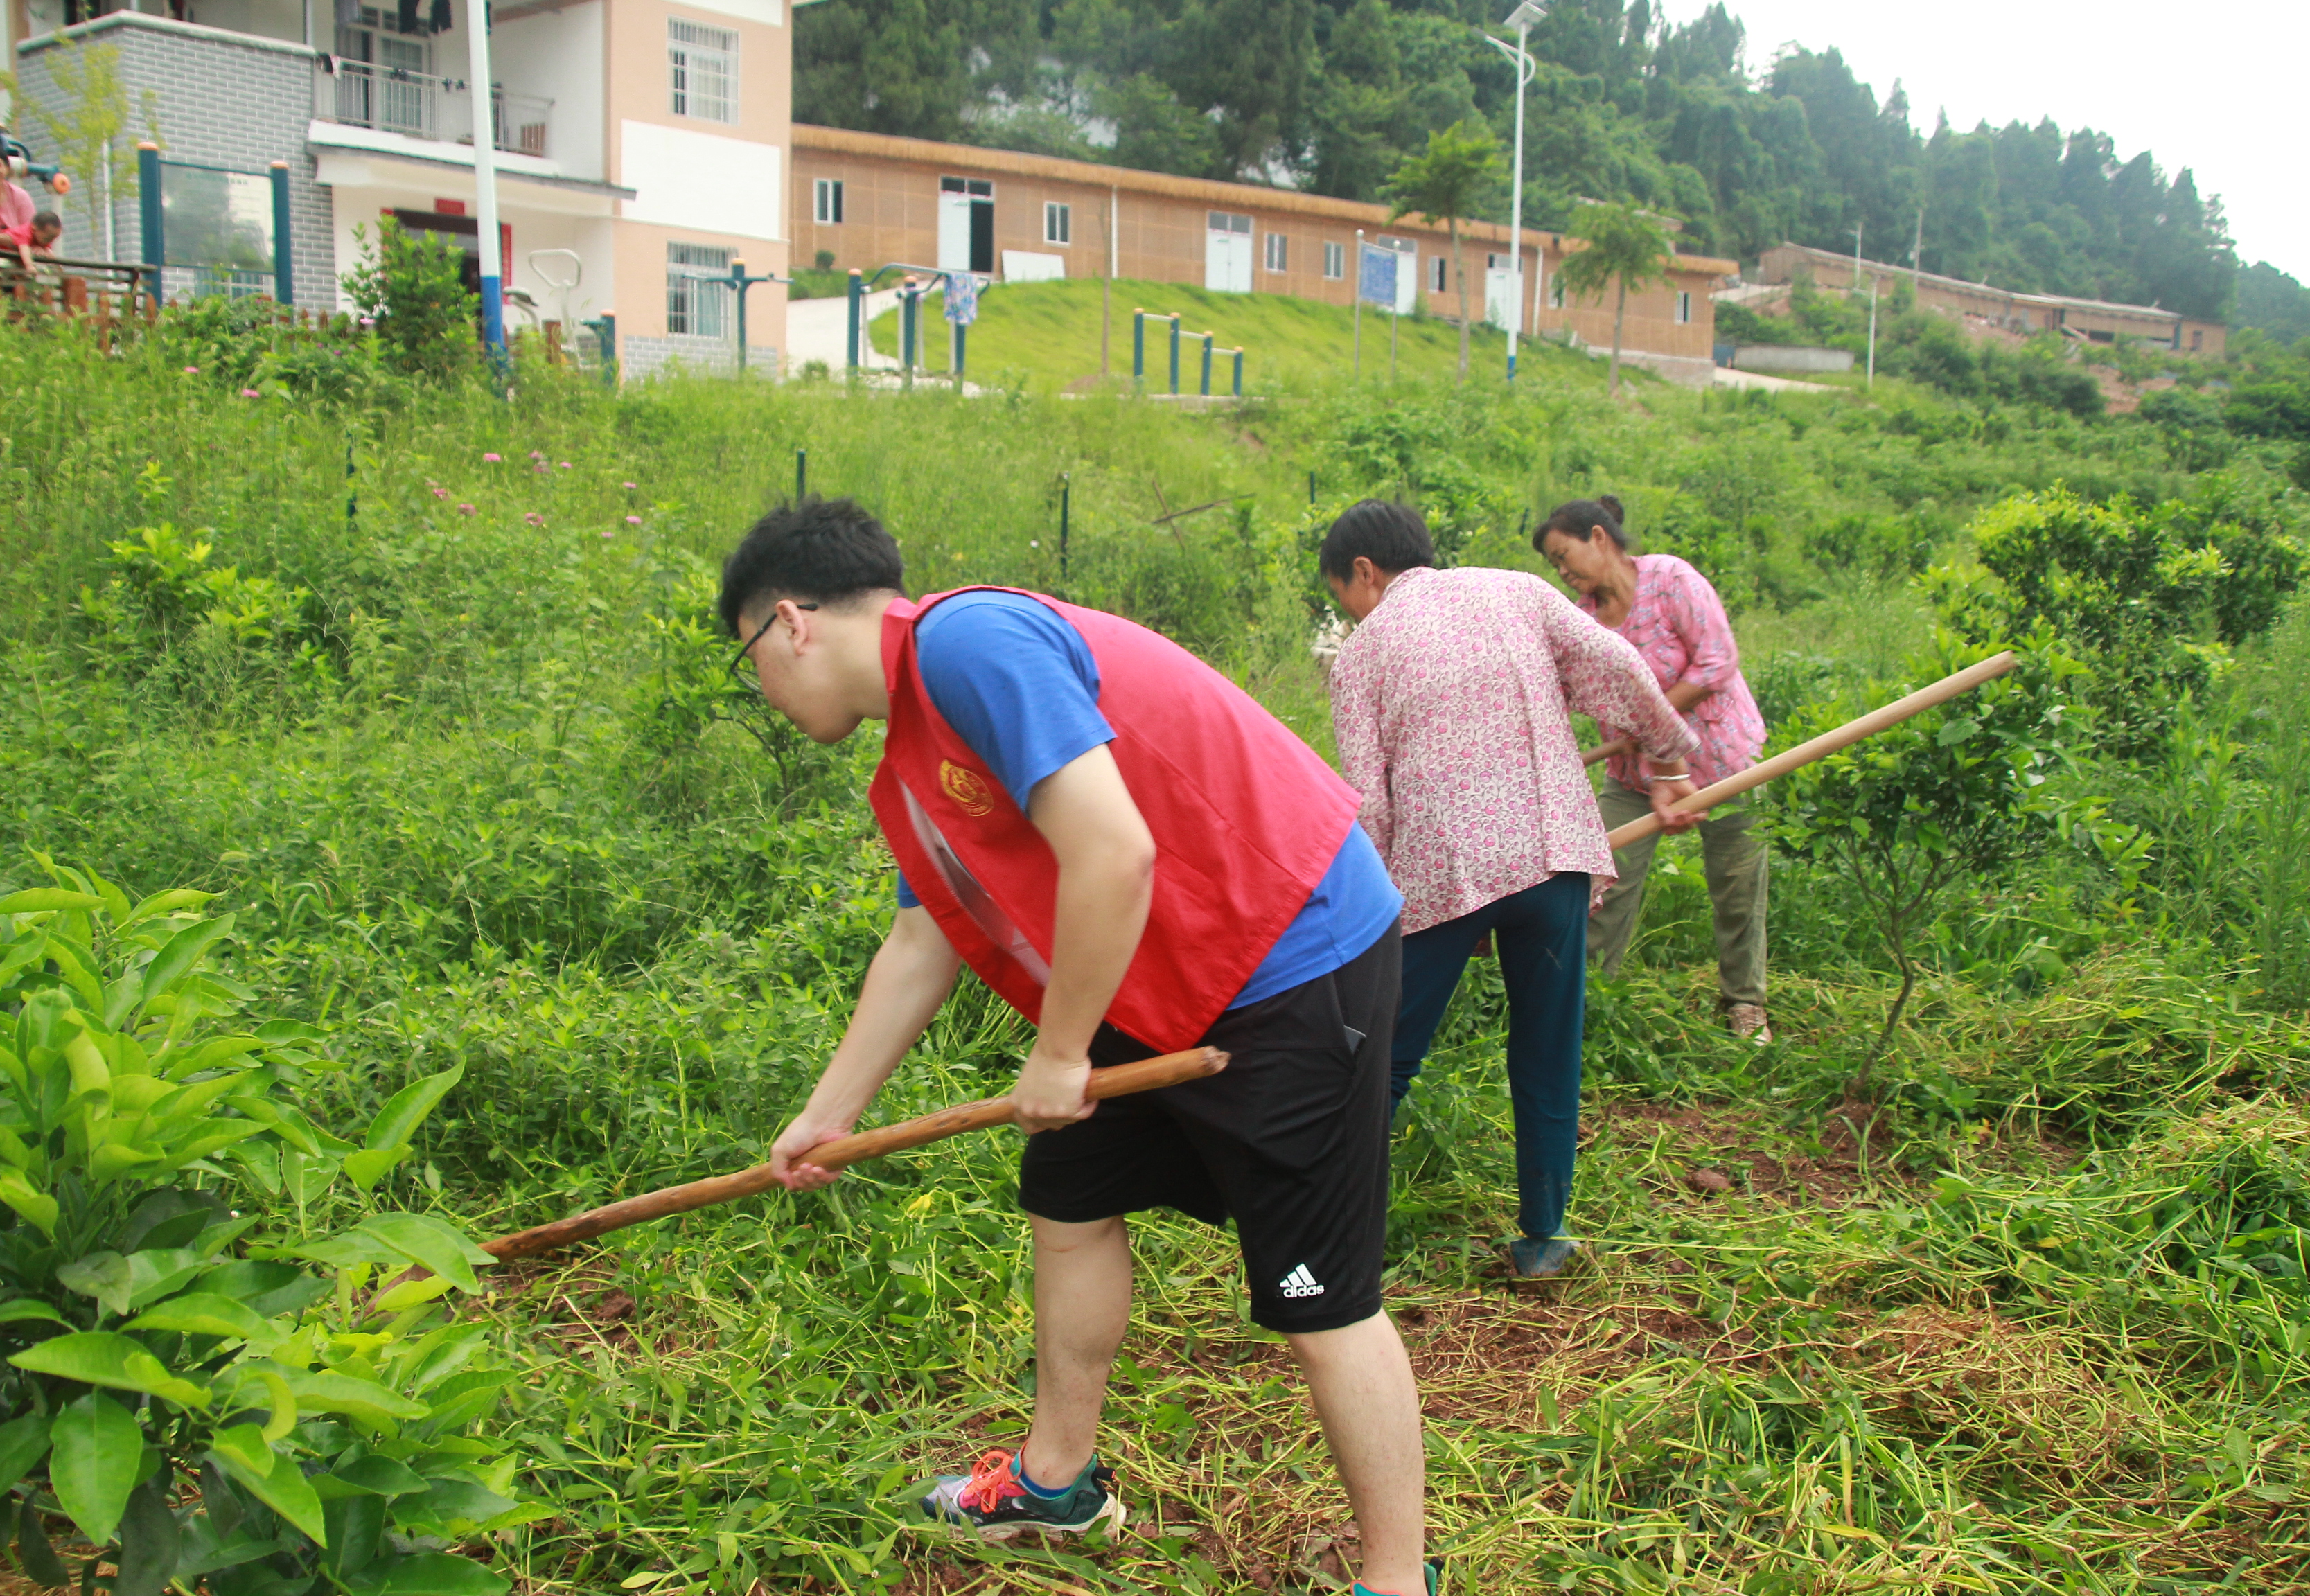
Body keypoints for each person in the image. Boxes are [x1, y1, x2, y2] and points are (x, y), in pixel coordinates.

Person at [728, 498, 1436, 1596]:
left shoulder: (970, 643)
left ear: (788, 623)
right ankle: (1057, 1483)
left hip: (1289, 950)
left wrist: (1059, 1057)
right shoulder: (913, 754)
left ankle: (1396, 1582)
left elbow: (1114, 851)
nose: (763, 693)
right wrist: (832, 1114)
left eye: (748, 663)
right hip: (1156, 976)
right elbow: (922, 941)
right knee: (1068, 1198)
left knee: (1320, 1296)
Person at [1322, 501, 1700, 1280]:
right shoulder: (1516, 590)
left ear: (1365, 573)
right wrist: (1670, 762)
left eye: (1343, 596)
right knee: (1546, 1051)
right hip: (1552, 856)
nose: (1350, 613)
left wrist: (1368, 928)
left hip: (1441, 874)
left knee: (1383, 1063)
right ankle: (1545, 1241)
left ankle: (1330, 1240)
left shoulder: (1362, 657)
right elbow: (1621, 672)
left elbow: (1372, 807)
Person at [1535, 496, 1774, 1043]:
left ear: (1599, 537)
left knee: (1737, 887)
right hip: (1633, 777)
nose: (1565, 571)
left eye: (1565, 555)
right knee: (1601, 883)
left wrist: (1650, 723)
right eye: (1556, 566)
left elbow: (1717, 662)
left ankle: (1745, 1003)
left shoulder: (1670, 579)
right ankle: (1587, 1002)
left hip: (1723, 762)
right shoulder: (1582, 622)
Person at [10, 210, 62, 276]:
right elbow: (24, 248)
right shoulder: (24, 232)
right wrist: (29, 266)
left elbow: (48, 251)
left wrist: (57, 265)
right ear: (34, 229)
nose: (50, 242)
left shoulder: (40, 238)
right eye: (47, 239)